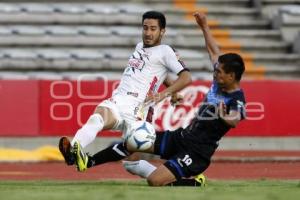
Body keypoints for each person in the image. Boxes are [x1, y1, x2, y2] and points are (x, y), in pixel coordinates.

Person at [71, 11, 246, 187]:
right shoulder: (219, 82)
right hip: (182, 137)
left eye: (219, 72)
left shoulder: (236, 97)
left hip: (197, 151)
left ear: (231, 76)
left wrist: (224, 116)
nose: (214, 74)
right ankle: (89, 161)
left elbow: (235, 119)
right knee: (132, 143)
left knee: (154, 181)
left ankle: (191, 183)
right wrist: (204, 27)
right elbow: (214, 52)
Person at [59, 11, 191, 169]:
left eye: (153, 29)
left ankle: (186, 165)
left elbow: (186, 78)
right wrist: (172, 91)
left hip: (138, 108)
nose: (148, 33)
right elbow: (159, 76)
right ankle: (73, 154)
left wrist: (163, 95)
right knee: (96, 119)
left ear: (162, 31)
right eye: (145, 28)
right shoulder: (139, 46)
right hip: (118, 99)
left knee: (133, 150)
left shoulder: (166, 51)